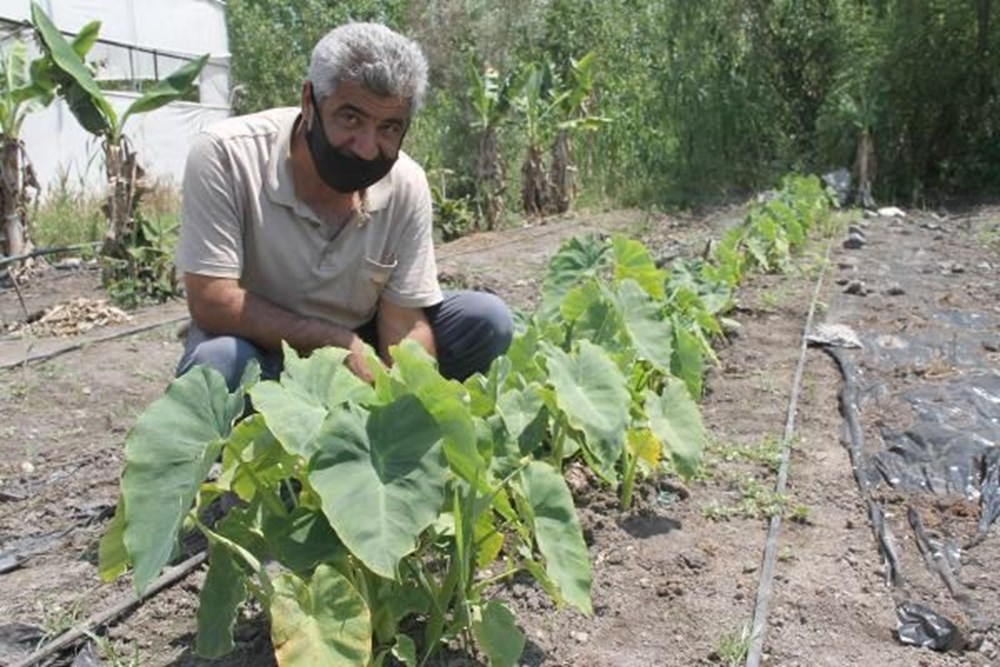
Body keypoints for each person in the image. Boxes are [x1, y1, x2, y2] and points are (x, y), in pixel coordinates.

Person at [174, 22, 512, 390]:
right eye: (351, 118)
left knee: (485, 320)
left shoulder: (406, 182)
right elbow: (213, 300)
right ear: (309, 101)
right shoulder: (227, 155)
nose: (367, 147)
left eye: (389, 128)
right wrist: (337, 343)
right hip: (260, 341)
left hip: (361, 335)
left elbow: (404, 319)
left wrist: (403, 399)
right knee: (220, 362)